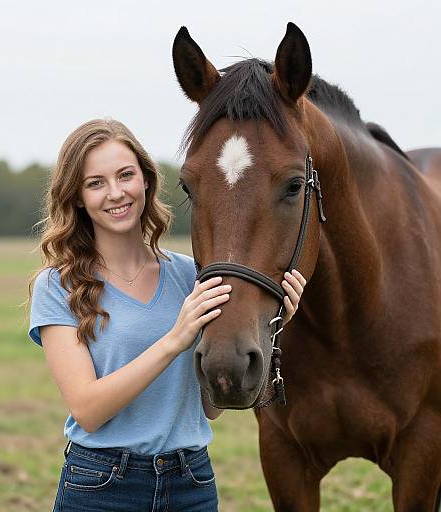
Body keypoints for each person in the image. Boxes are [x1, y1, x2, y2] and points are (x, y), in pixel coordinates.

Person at [27, 118, 306, 512]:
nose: (115, 193)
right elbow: (87, 410)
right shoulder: (58, 286)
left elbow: (211, 406)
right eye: (96, 183)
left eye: (126, 175)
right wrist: (175, 339)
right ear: (77, 197)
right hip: (102, 486)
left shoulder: (191, 276)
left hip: (190, 483)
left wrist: (273, 328)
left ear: (146, 180)